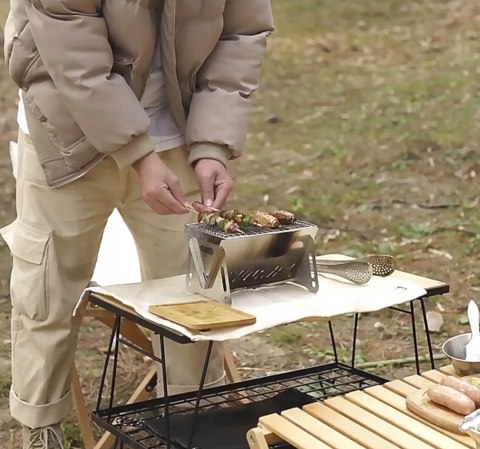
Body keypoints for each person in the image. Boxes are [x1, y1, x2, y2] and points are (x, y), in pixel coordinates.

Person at [1, 1, 274, 448]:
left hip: (179, 136)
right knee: (47, 290)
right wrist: (139, 156)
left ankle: (189, 425)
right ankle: (39, 429)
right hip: (68, 132)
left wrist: (212, 145)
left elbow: (241, 34)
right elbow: (75, 57)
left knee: (194, 294)